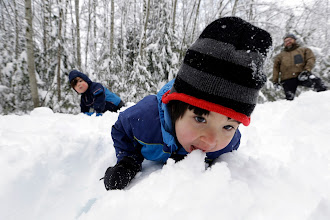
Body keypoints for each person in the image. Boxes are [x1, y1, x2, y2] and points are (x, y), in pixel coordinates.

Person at [102, 17, 272, 190]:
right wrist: (127, 161)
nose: (211, 141)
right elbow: (121, 129)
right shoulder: (144, 119)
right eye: (200, 119)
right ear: (175, 107)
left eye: (228, 126)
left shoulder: (227, 143)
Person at [272, 34, 327, 100]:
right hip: (287, 79)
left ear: (294, 40)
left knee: (318, 83)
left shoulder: (304, 50)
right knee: (289, 99)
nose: (287, 42)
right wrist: (275, 81)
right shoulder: (280, 56)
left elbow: (311, 59)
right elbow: (276, 68)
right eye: (285, 41)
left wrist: (307, 70)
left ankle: (324, 100)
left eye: (289, 40)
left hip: (302, 75)